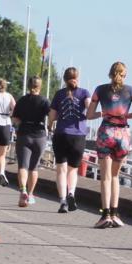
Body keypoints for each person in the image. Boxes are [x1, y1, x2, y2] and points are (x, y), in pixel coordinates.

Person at [86, 61, 132, 228]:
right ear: (125, 75)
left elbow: (89, 115)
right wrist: (126, 116)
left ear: (110, 74)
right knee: (116, 176)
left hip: (106, 133)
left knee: (105, 177)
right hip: (123, 136)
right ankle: (115, 213)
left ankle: (105, 216)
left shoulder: (100, 90)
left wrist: (103, 112)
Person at [47, 67, 91, 213]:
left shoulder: (59, 94)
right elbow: (89, 109)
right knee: (73, 170)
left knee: (61, 170)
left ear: (64, 79)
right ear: (77, 78)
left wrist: (49, 125)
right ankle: (71, 193)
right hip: (78, 136)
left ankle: (63, 201)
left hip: (61, 135)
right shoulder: (84, 93)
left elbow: (52, 115)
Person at [12, 76, 50, 208]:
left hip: (24, 134)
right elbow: (51, 116)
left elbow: (15, 119)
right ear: (40, 86)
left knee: (23, 166)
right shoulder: (45, 100)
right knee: (34, 167)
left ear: (28, 86)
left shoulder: (22, 100)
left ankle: (22, 190)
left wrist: (21, 123)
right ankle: (31, 194)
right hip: (39, 135)